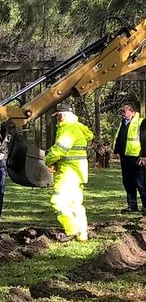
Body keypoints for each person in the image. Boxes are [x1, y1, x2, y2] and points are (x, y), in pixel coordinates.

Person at [45, 102, 93, 242]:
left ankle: (72, 230)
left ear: (62, 114)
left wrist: (47, 161)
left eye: (58, 115)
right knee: (75, 204)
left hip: (68, 172)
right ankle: (82, 234)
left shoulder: (69, 129)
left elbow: (59, 150)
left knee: (58, 202)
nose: (57, 118)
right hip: (78, 172)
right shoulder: (77, 127)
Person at [113, 102, 146, 213]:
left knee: (140, 182)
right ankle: (132, 206)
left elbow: (144, 140)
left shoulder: (141, 122)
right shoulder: (123, 123)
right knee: (127, 182)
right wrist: (117, 150)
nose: (122, 113)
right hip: (125, 156)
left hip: (136, 157)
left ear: (132, 112)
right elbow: (119, 137)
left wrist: (144, 156)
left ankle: (145, 206)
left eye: (124, 111)